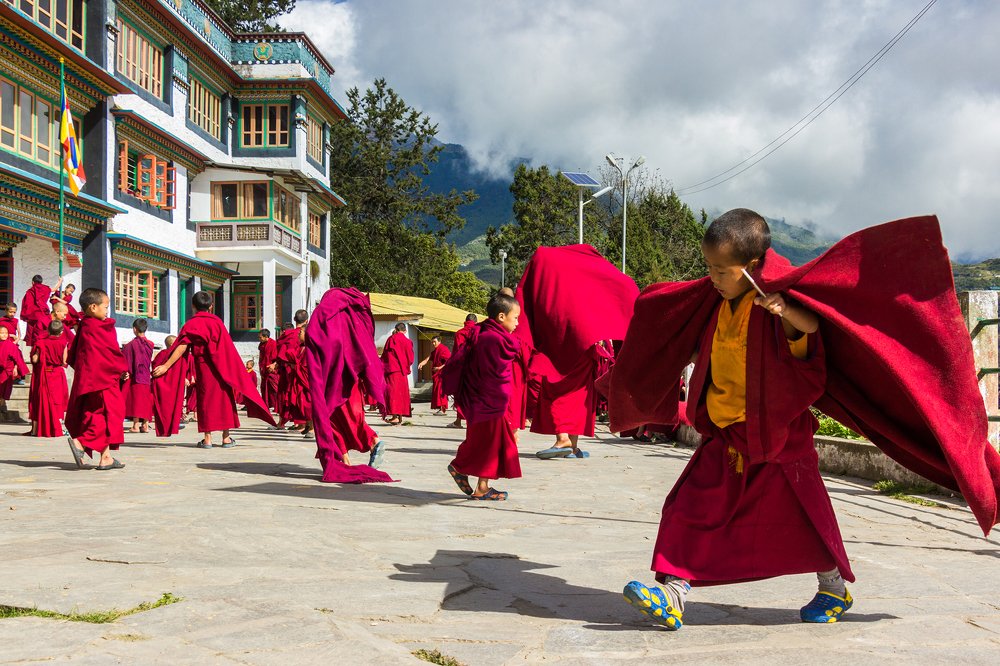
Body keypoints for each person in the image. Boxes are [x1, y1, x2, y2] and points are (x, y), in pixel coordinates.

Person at [607, 210, 1000, 630]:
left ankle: (833, 587)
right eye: (710, 269)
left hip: (779, 439)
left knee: (804, 520)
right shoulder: (716, 304)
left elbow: (809, 335)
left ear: (753, 265)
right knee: (687, 508)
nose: (714, 278)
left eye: (722, 270)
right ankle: (672, 593)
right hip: (727, 435)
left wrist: (786, 312)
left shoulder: (776, 303)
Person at [513, 245, 638, 460]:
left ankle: (562, 439)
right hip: (585, 344)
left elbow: (538, 304)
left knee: (556, 391)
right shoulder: (584, 279)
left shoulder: (548, 265)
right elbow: (621, 286)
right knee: (579, 396)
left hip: (561, 344)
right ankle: (573, 445)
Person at [151, 291, 274, 446]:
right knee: (225, 400)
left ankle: (208, 439)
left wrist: (166, 366)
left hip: (203, 368)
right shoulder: (217, 323)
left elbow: (182, 346)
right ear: (210, 306)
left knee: (205, 400)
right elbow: (227, 348)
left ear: (193, 306)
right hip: (222, 367)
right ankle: (226, 438)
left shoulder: (191, 324)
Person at [304, 287, 392, 483]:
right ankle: (350, 455)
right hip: (352, 379)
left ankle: (369, 444)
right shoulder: (353, 318)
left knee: (335, 420)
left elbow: (314, 336)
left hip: (334, 380)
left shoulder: (325, 315)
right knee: (346, 419)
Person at [442, 293, 521, 501]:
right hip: (489, 401)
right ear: (502, 317)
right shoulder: (492, 339)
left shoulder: (486, 334)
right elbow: (492, 375)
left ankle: (480, 484)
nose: (518, 323)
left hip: (484, 402)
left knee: (486, 442)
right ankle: (465, 472)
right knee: (489, 443)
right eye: (515, 318)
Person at [64, 288, 127, 470]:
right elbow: (109, 353)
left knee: (99, 415)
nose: (107, 311)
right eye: (105, 307)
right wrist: (121, 367)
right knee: (111, 413)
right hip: (102, 379)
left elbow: (77, 355)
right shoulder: (97, 327)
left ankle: (105, 457)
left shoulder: (85, 326)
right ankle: (81, 443)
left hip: (91, 379)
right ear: (93, 307)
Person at [29, 320, 69, 437]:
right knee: (57, 401)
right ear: (61, 332)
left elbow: (35, 360)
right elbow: (64, 361)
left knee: (39, 401)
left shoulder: (40, 342)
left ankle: (35, 430)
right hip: (57, 374)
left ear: (48, 330)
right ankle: (59, 428)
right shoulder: (63, 343)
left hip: (43, 374)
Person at [271, 311, 309, 428]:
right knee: (298, 395)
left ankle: (293, 423)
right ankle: (300, 423)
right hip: (297, 369)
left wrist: (277, 364)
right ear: (306, 321)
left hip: (288, 369)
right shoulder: (304, 334)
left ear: (294, 319)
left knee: (287, 394)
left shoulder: (287, 335)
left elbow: (281, 353)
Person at [122, 318, 154, 433]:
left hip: (135, 376)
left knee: (136, 400)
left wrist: (125, 372)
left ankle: (135, 425)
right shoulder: (150, 344)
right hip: (146, 375)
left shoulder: (130, 345)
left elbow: (125, 360)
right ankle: (145, 424)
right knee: (145, 400)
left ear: (134, 329)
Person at [151, 335, 185, 438]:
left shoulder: (162, 354)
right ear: (172, 344)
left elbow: (155, 366)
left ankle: (167, 428)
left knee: (164, 408)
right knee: (168, 408)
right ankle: (169, 427)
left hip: (168, 384)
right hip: (169, 385)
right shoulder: (167, 354)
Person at [448, 314, 478, 428]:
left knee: (460, 393)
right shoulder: (479, 332)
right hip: (475, 367)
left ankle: (458, 421)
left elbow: (457, 352)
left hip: (462, 367)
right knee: (473, 393)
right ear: (475, 322)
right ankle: (472, 421)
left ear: (465, 321)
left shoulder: (460, 333)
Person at [380, 322, 413, 425]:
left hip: (392, 370)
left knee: (393, 393)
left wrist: (382, 366)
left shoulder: (392, 339)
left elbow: (386, 355)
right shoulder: (408, 341)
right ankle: (400, 416)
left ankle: (395, 417)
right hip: (402, 371)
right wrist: (406, 366)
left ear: (396, 329)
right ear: (405, 331)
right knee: (402, 393)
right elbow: (411, 358)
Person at [21, 274, 60, 347]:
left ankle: (33, 348)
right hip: (43, 314)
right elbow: (54, 289)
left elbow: (27, 304)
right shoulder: (45, 288)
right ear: (41, 282)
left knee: (32, 333)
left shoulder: (30, 291)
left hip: (32, 315)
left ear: (33, 282)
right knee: (44, 331)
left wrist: (25, 315)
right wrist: (60, 281)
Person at [417, 335, 451, 415]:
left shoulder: (444, 349)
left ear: (439, 341)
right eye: (432, 342)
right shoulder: (435, 351)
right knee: (437, 392)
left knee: (441, 392)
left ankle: (442, 409)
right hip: (436, 374)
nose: (433, 343)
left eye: (434, 342)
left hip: (442, 374)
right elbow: (428, 358)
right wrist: (421, 363)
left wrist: (439, 368)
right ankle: (440, 409)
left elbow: (449, 361)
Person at [0, 326, 27, 418]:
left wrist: (16, 368)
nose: (4, 335)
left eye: (5, 333)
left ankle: (3, 403)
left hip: (8, 370)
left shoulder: (11, 345)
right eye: (1, 333)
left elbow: (17, 358)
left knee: (6, 388)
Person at [257, 329, 278, 412]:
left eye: (260, 337)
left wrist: (273, 366)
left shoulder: (273, 344)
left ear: (266, 337)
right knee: (264, 389)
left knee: (274, 389)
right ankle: (266, 406)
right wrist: (260, 368)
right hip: (264, 370)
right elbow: (261, 357)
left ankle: (278, 406)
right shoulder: (261, 345)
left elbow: (277, 358)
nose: (259, 339)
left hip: (271, 370)